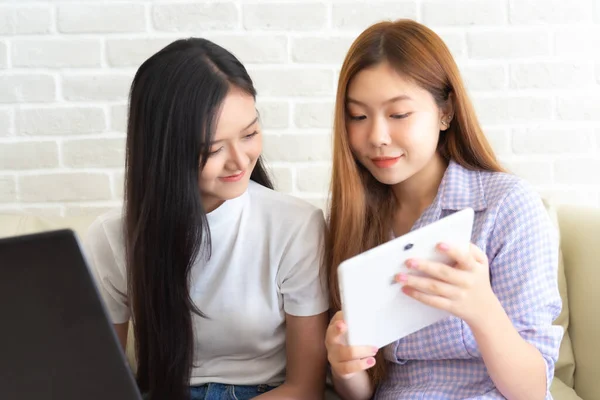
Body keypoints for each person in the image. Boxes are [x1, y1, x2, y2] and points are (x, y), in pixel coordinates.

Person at [324, 20, 563, 400]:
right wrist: (345, 367)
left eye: (399, 115)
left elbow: (533, 390)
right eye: (358, 116)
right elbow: (364, 391)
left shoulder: (504, 205)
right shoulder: (354, 218)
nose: (377, 137)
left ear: (445, 111)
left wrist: (483, 311)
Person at [84, 38, 328, 400]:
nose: (240, 160)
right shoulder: (112, 238)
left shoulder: (296, 226)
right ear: (164, 151)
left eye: (250, 134)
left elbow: (305, 388)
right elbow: (103, 384)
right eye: (212, 149)